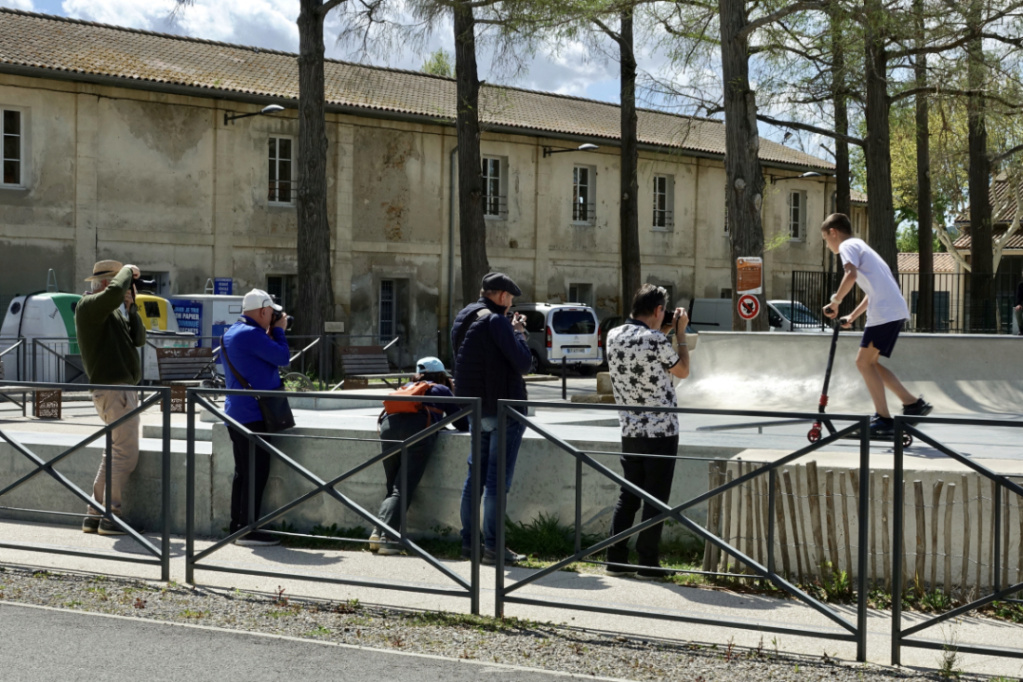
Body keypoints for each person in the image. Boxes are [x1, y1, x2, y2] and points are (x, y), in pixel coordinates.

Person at [604, 284, 690, 579]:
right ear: (657, 311)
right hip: (662, 431)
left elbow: (646, 359)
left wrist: (663, 331)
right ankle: (647, 562)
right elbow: (682, 371)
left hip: (629, 429)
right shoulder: (656, 339)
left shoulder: (614, 335)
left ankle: (615, 558)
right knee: (656, 498)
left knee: (628, 495)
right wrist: (680, 334)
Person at [821, 213, 932, 437]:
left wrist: (836, 301)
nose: (827, 244)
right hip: (890, 310)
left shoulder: (848, 246)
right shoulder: (862, 246)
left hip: (885, 313)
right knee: (870, 364)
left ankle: (883, 419)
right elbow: (873, 292)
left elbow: (850, 275)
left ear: (833, 232)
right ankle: (912, 404)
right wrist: (852, 315)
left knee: (863, 363)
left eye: (826, 239)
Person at [450, 272, 532, 566]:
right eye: (509, 299)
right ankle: (494, 547)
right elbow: (523, 363)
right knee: (496, 483)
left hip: (475, 409)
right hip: (503, 410)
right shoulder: (497, 321)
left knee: (475, 478)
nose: (510, 305)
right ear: (500, 296)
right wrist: (519, 334)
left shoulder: (464, 317)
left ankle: (469, 544)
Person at [369, 356, 470, 555]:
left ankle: (378, 531)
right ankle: (388, 540)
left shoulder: (405, 387)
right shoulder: (440, 389)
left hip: (388, 430)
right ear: (441, 375)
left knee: (393, 486)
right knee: (402, 488)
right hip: (416, 431)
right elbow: (462, 424)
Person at [75, 260, 147, 535]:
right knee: (125, 454)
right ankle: (111, 515)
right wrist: (128, 271)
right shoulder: (89, 306)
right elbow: (115, 292)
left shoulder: (112, 312)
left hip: (116, 390)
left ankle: (95, 513)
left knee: (113, 452)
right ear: (107, 284)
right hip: (115, 390)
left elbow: (138, 339)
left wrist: (132, 307)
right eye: (123, 284)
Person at [221, 288, 291, 547]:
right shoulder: (252, 335)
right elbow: (283, 357)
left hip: (236, 413)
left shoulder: (232, 332)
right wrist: (280, 330)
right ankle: (248, 529)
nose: (273, 317)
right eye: (272, 313)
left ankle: (237, 526)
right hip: (254, 414)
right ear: (263, 311)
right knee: (257, 472)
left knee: (243, 471)